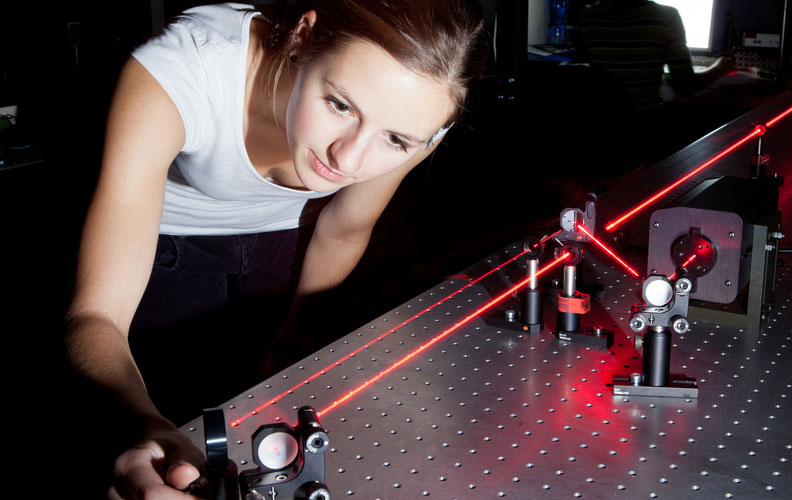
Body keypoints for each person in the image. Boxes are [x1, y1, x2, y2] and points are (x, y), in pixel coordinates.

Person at [63, 1, 485, 497]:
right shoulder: (183, 69)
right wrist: (145, 427)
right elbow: (96, 316)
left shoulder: (421, 108)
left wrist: (291, 341)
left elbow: (344, 229)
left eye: (393, 140)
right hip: (166, 242)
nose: (347, 159)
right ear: (304, 39)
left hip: (289, 238)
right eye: (340, 105)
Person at [579, 0, 735, 108]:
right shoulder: (667, 17)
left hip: (599, 122)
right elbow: (686, 87)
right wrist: (720, 68)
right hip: (644, 122)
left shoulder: (589, 17)